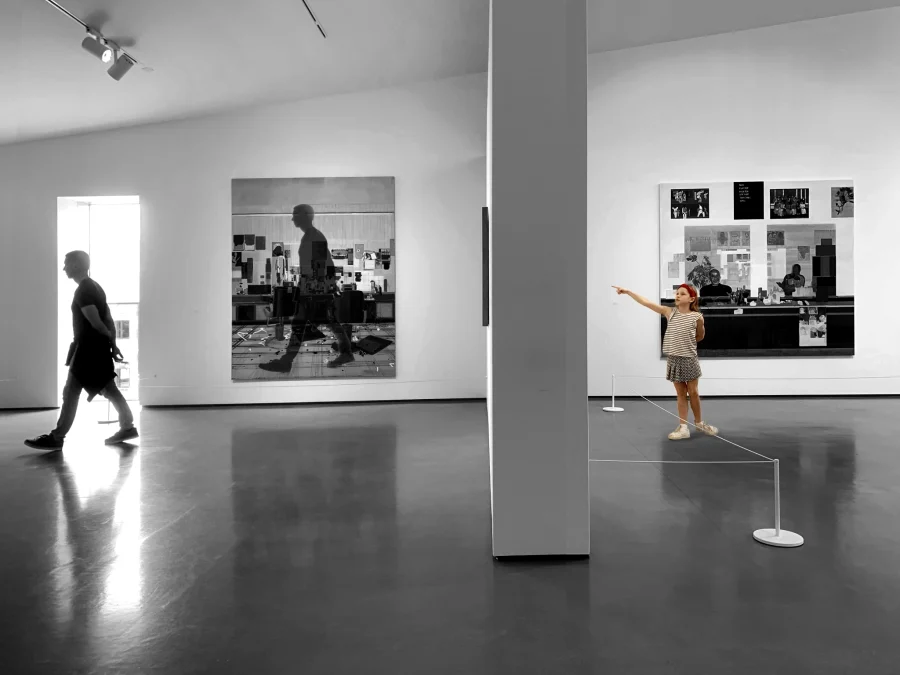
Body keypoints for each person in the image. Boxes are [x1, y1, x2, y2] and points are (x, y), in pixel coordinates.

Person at [25, 251, 138, 450]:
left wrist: (109, 341)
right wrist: (112, 344)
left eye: (67, 264)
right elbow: (108, 319)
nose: (64, 268)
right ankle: (127, 426)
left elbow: (96, 322)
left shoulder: (83, 290)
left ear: (76, 265)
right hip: (96, 349)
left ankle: (57, 437)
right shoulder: (95, 287)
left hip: (87, 350)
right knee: (107, 388)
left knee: (71, 392)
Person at [611, 283, 718, 441]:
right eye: (677, 293)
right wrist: (628, 292)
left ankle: (699, 423)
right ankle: (683, 427)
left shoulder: (697, 317)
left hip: (689, 358)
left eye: (682, 294)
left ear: (691, 299)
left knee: (693, 392)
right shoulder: (670, 312)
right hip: (673, 359)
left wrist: (686, 344)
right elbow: (647, 303)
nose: (678, 295)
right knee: (680, 394)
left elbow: (700, 336)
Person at [260, 204, 355, 372]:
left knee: (304, 324)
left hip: (314, 292)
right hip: (314, 291)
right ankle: (288, 361)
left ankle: (286, 362)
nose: (292, 218)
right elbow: (324, 265)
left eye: (295, 215)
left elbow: (320, 267)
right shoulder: (310, 236)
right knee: (324, 323)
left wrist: (312, 292)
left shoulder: (314, 236)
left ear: (305, 216)